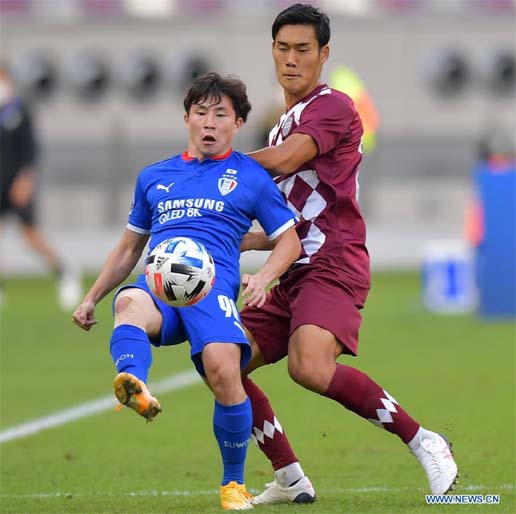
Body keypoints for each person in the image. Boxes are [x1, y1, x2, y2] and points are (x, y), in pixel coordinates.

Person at [237, 3, 459, 505]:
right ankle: (289, 477)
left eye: (302, 50)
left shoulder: (331, 106)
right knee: (220, 359)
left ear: (323, 54)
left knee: (309, 365)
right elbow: (297, 213)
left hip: (332, 263)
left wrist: (210, 165)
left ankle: (425, 441)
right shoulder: (281, 124)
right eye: (282, 48)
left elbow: (288, 161)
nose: (291, 59)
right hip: (295, 268)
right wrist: (253, 239)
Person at [72, 72, 300, 511]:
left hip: (212, 291)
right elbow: (128, 248)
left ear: (237, 124)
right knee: (128, 301)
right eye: (201, 113)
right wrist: (90, 297)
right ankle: (134, 379)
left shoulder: (250, 176)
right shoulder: (155, 177)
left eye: (220, 115)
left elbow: (288, 238)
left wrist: (264, 275)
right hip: (161, 286)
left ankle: (233, 485)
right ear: (187, 119)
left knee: (223, 372)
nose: (209, 123)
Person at [0, 62, 81, 310]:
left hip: (17, 184)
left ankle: (65, 271)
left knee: (31, 237)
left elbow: (31, 150)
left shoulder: (20, 111)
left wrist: (25, 180)